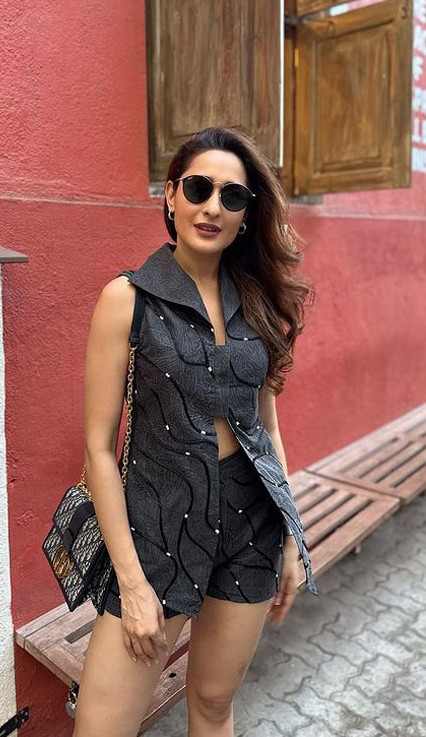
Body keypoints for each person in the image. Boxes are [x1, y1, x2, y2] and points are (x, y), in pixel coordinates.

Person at [73, 126, 318, 736]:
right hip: (157, 531)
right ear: (170, 195)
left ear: (246, 214)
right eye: (198, 188)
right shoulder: (126, 299)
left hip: (252, 525)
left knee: (213, 705)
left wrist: (291, 538)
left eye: (232, 196)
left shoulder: (257, 304)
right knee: (100, 728)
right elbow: (99, 451)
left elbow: (266, 429)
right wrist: (131, 582)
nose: (213, 207)